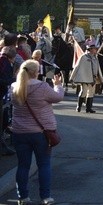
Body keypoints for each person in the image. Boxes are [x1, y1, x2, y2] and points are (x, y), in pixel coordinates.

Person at [11, 59, 64, 205]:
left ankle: (22, 197)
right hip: (41, 132)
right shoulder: (42, 87)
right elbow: (58, 97)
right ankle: (45, 197)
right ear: (37, 72)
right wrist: (58, 85)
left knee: (22, 165)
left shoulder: (14, 87)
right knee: (44, 164)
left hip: (19, 131)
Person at [70, 43, 103, 113]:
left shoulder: (95, 58)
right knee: (84, 91)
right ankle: (78, 106)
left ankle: (89, 108)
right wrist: (72, 77)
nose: (96, 50)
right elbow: (77, 67)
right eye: (94, 49)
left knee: (91, 93)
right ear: (90, 49)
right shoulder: (83, 57)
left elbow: (98, 68)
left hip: (93, 78)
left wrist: (100, 77)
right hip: (84, 78)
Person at [0, 45, 18, 156]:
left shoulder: (2, 60)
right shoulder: (5, 63)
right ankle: (2, 148)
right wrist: (15, 78)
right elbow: (4, 80)